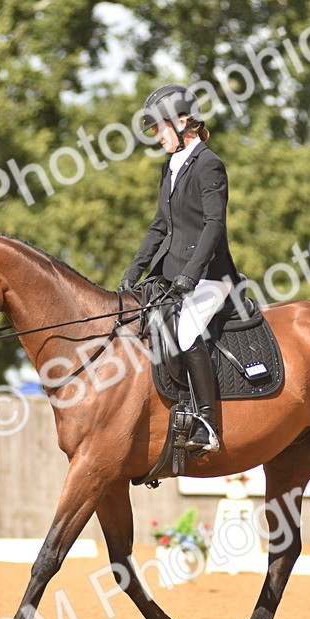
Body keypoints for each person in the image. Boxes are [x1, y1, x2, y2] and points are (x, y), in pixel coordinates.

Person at [119, 84, 239, 457]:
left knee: (185, 332)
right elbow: (160, 226)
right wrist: (132, 273)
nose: (156, 137)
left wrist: (190, 273)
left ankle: (207, 424)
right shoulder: (170, 166)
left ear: (182, 121)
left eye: (159, 128)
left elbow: (213, 226)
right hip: (172, 273)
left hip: (209, 276)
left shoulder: (209, 164)